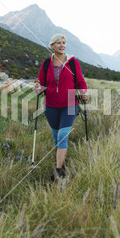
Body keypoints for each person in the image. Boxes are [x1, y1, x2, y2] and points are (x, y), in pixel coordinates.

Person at [35, 34, 88, 181]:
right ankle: (62, 165)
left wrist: (83, 93)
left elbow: (81, 82)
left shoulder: (72, 62)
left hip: (70, 104)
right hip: (51, 105)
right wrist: (39, 88)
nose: (62, 45)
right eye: (58, 43)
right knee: (56, 137)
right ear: (52, 46)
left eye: (64, 43)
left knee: (62, 136)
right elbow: (41, 83)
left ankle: (58, 171)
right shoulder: (46, 63)